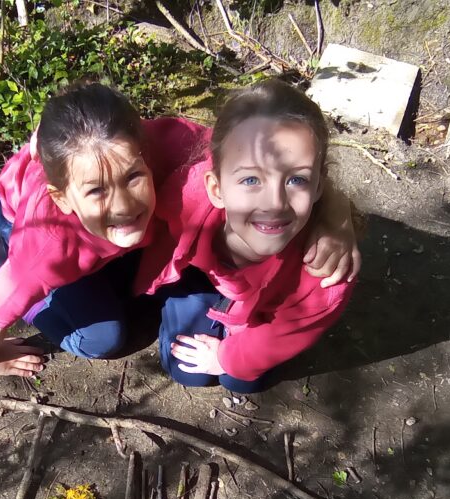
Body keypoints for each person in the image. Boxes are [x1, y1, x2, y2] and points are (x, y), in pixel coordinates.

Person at [0, 80, 359, 378]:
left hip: (93, 225)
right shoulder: (47, 245)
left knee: (138, 274)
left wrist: (335, 214)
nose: (123, 204)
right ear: (66, 197)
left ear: (144, 151)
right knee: (102, 337)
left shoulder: (174, 145)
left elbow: (270, 159)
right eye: (99, 190)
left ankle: (98, 249)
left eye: (134, 177)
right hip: (25, 223)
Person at [136, 79, 357, 393]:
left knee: (241, 378)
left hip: (268, 307)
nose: (275, 203)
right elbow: (124, 142)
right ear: (216, 189)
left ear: (319, 186)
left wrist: (227, 359)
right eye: (252, 179)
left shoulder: (325, 274)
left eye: (296, 180)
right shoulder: (189, 191)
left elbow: (285, 334)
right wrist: (45, 149)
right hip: (202, 276)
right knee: (188, 371)